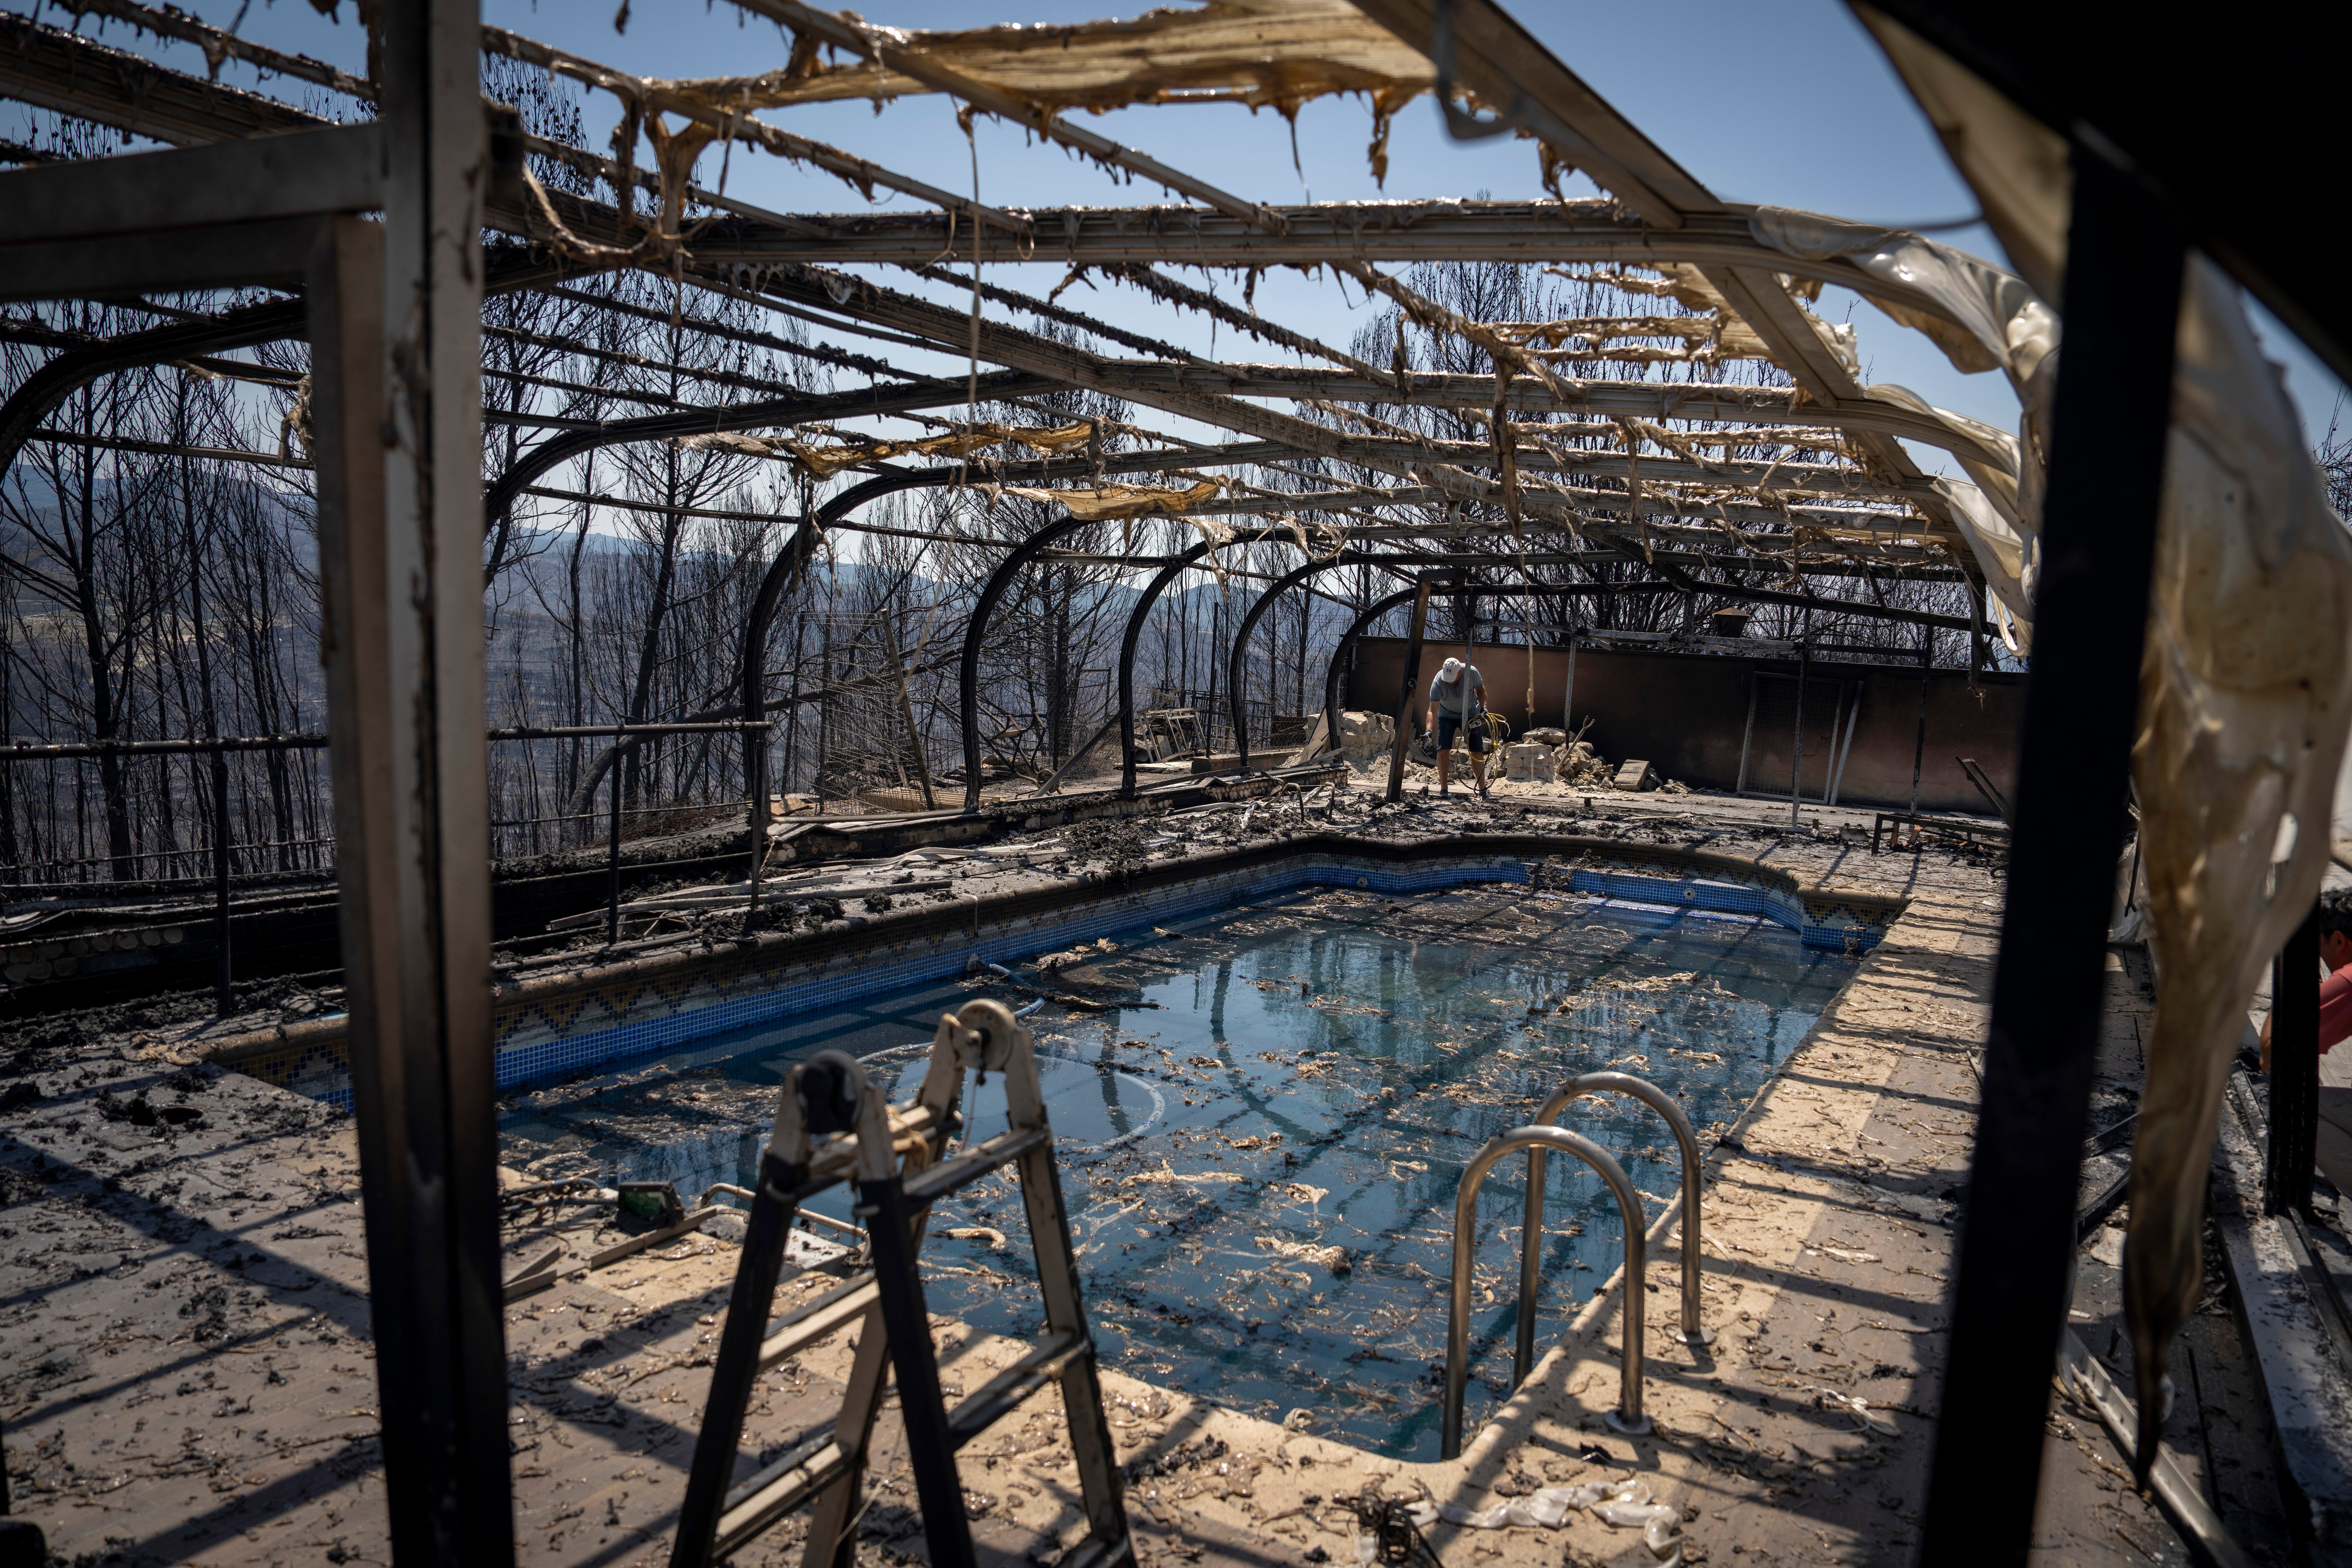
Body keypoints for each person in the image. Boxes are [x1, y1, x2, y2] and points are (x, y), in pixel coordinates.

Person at [2261, 888, 2352, 1193]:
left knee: (2289, 1103)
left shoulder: (2349, 980)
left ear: (2338, 941)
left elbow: (2273, 1057)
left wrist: (2290, 983)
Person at [1425, 655, 1489, 799]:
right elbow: (1432, 710)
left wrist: (1484, 708)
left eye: (1453, 678)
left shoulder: (1472, 673)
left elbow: (1481, 690)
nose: (1449, 681)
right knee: (1443, 750)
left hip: (1472, 713)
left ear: (1460, 672)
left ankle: (1483, 790)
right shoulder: (1439, 681)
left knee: (1477, 751)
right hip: (1447, 715)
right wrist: (1429, 731)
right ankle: (1444, 789)